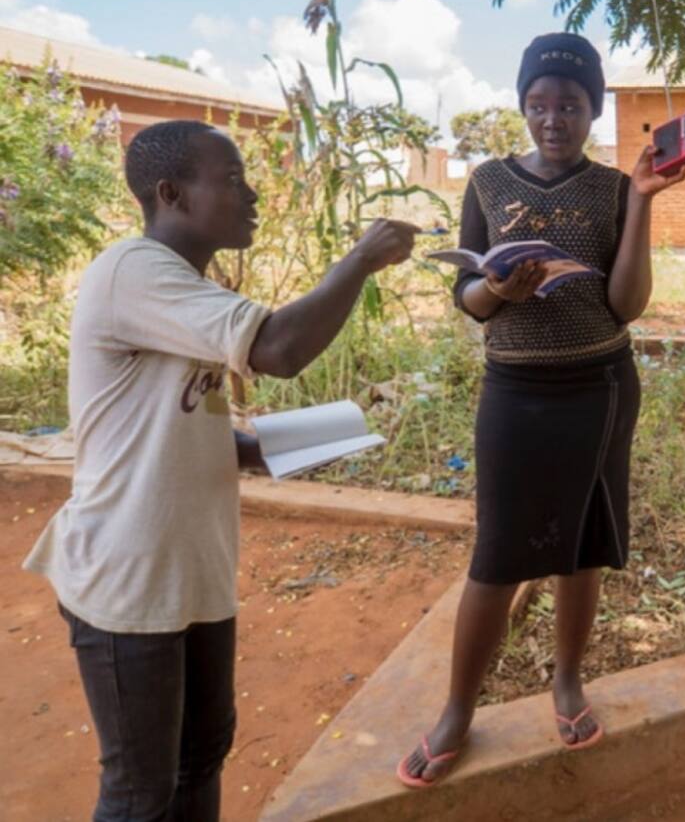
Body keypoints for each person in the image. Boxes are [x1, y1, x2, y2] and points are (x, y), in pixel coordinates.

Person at [22, 120, 418, 821]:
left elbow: (168, 421)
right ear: (171, 194)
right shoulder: (132, 270)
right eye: (232, 179)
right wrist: (358, 260)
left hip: (190, 574)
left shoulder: (179, 285)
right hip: (127, 580)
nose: (253, 194)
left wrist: (269, 446)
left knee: (202, 757)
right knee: (140, 793)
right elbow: (280, 348)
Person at [398, 32, 685, 787]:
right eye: (538, 104)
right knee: (497, 556)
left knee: (583, 547)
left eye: (569, 104)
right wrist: (498, 289)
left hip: (600, 387)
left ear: (592, 110)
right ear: (522, 106)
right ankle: (459, 709)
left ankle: (566, 680)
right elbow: (466, 298)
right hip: (517, 393)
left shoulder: (614, 187)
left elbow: (626, 305)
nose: (552, 118)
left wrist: (644, 205)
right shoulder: (488, 182)